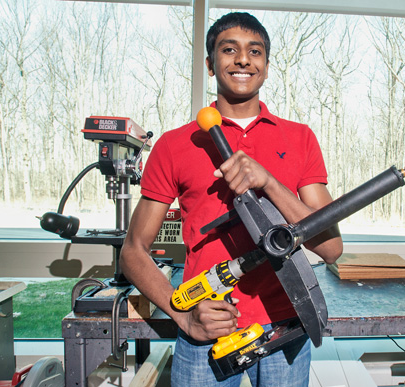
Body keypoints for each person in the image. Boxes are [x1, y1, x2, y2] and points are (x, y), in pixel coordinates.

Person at [120, 11, 343, 387]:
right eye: (229, 50)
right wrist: (183, 315)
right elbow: (133, 251)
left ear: (267, 67)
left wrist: (269, 182)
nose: (243, 59)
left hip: (285, 323)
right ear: (210, 64)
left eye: (254, 51)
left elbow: (331, 248)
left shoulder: (299, 138)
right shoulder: (176, 144)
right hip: (206, 327)